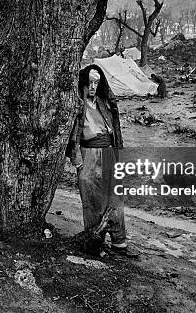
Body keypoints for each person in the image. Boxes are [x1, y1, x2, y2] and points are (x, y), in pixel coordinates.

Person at [66, 66, 139, 258]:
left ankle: (119, 243)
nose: (92, 87)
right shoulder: (76, 105)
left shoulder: (103, 103)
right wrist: (77, 160)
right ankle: (95, 243)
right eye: (89, 82)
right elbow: (72, 134)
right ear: (82, 83)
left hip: (108, 153)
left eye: (96, 83)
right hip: (88, 154)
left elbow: (115, 127)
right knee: (92, 202)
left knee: (115, 199)